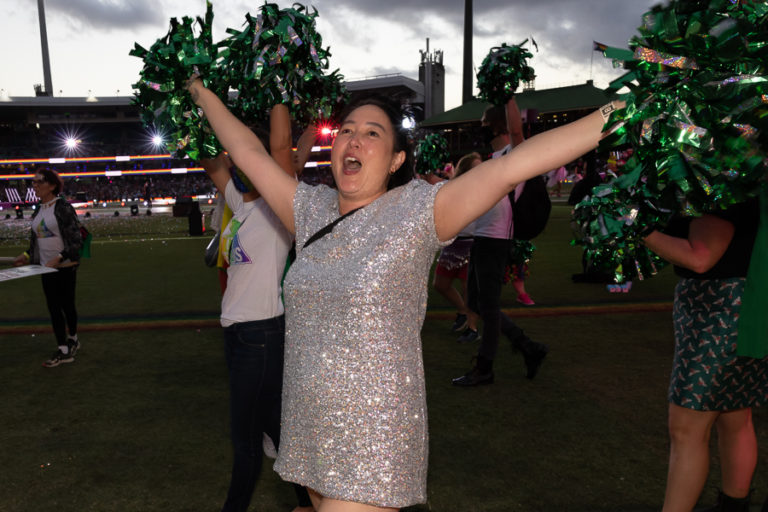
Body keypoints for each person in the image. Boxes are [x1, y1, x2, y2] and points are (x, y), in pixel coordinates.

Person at [187, 75, 618, 511]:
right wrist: (199, 91)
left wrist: (617, 112)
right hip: (309, 429)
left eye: (372, 133)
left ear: (397, 159)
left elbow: (512, 166)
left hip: (372, 439)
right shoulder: (309, 209)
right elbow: (247, 151)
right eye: (347, 130)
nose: (354, 139)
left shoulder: (418, 212)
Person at [201, 105, 314, 512]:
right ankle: (309, 502)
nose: (234, 160)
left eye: (242, 153)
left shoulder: (278, 206)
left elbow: (282, 149)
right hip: (238, 334)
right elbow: (210, 159)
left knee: (245, 439)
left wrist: (282, 103)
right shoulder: (242, 204)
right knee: (273, 427)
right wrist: (194, 116)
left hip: (260, 335)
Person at [643, 198, 768, 512]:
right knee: (735, 414)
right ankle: (734, 505)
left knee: (687, 428)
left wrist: (637, 229)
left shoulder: (717, 184)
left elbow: (700, 258)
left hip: (720, 310)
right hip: (746, 303)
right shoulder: (746, 181)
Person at [452, 101, 548, 386]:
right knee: (475, 302)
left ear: (497, 125)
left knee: (489, 306)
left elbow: (517, 131)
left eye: (484, 121)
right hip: (483, 237)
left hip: (496, 240)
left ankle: (485, 368)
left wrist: (508, 96)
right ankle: (527, 346)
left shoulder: (513, 154)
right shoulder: (494, 157)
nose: (481, 126)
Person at [13, 169, 83, 367]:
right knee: (53, 308)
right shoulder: (39, 210)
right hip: (45, 267)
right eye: (33, 182)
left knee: (67, 306)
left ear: (52, 185)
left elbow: (76, 240)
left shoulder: (63, 207)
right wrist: (26, 255)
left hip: (65, 266)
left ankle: (73, 338)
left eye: (39, 182)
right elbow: (37, 241)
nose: (34, 185)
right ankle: (63, 349)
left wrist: (59, 258)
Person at [432, 151, 481, 341]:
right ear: (465, 170)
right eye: (476, 167)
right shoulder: (453, 187)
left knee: (468, 287)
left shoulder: (484, 189)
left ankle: (472, 329)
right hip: (453, 244)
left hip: (472, 243)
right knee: (440, 284)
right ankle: (462, 311)